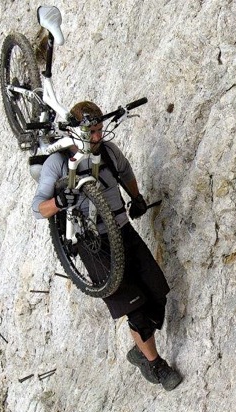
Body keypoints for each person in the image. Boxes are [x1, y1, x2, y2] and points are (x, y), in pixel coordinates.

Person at [31, 101, 182, 391]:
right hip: (93, 244)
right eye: (91, 132)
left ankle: (140, 348)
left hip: (122, 229)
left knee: (157, 292)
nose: (97, 137)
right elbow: (37, 209)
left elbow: (125, 173)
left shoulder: (108, 152)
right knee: (134, 308)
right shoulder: (58, 163)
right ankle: (155, 365)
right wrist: (60, 202)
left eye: (100, 130)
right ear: (75, 132)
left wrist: (136, 198)